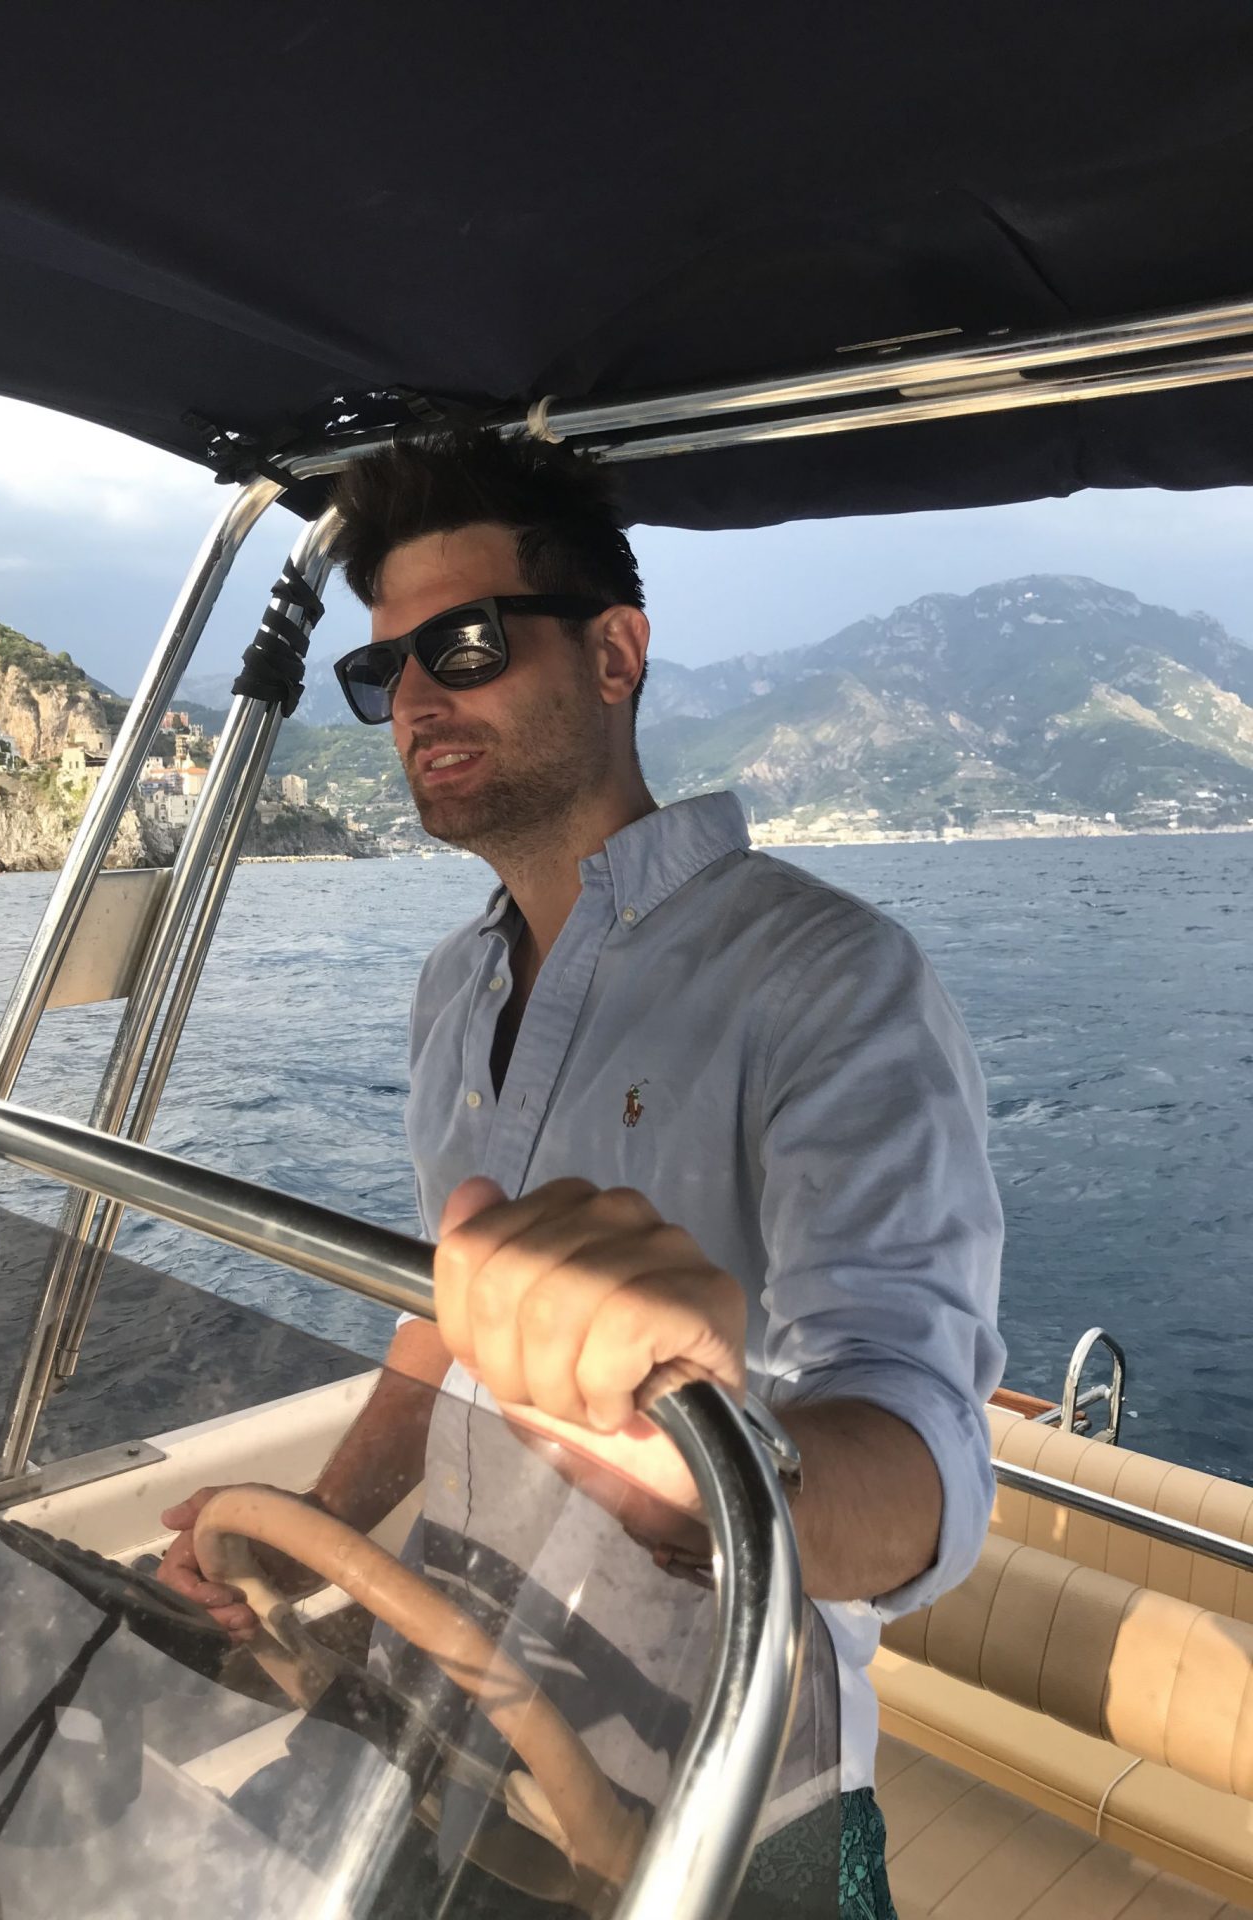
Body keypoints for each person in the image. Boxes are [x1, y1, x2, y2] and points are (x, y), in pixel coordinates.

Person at [159, 432, 1005, 1915]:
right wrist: (318, 1529)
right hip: (456, 1715)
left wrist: (705, 1480)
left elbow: (927, 1463)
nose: (415, 700)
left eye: (465, 646)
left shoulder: (830, 978)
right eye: (382, 671)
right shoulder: (452, 987)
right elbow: (447, 1326)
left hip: (727, 1796)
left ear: (615, 655)